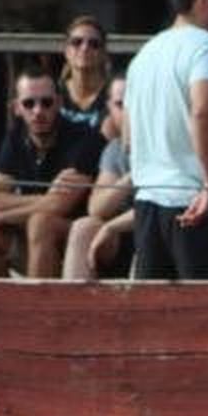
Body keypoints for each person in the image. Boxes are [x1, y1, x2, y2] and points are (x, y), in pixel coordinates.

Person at [126, 0, 208, 281]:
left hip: (148, 206)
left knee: (157, 321)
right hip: (200, 206)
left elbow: (127, 137)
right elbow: (203, 110)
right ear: (204, 0)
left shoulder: (145, 53)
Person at [0, 65, 105, 278]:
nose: (38, 111)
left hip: (78, 242)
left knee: (41, 222)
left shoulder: (85, 139)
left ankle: (37, 308)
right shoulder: (15, 136)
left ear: (59, 103)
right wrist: (47, 196)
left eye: (46, 102)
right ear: (16, 107)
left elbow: (60, 206)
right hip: (30, 236)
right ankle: (8, 304)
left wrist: (1, 217)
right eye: (29, 103)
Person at [62, 77, 135, 280]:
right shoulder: (114, 149)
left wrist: (113, 226)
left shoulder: (169, 145)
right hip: (121, 237)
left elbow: (165, 208)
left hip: (160, 230)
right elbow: (97, 208)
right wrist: (133, 175)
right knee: (84, 227)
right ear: (110, 109)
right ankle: (70, 308)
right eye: (121, 105)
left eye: (135, 102)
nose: (130, 112)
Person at [58, 15, 112, 134]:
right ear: (66, 51)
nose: (85, 48)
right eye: (77, 42)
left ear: (104, 53)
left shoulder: (114, 97)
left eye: (94, 44)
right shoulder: (53, 94)